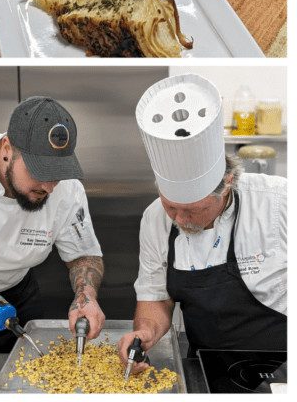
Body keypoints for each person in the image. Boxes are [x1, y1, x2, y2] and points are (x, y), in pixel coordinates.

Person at [118, 74, 287, 374]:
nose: (179, 219)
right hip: (204, 369)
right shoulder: (154, 218)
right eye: (171, 206)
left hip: (283, 370)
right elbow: (156, 298)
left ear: (227, 186)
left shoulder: (279, 202)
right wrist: (145, 333)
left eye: (192, 210)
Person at [0, 96, 106, 353]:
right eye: (39, 171)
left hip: (11, 301)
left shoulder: (68, 192)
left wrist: (85, 297)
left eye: (57, 174)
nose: (48, 186)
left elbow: (84, 257)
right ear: (7, 148)